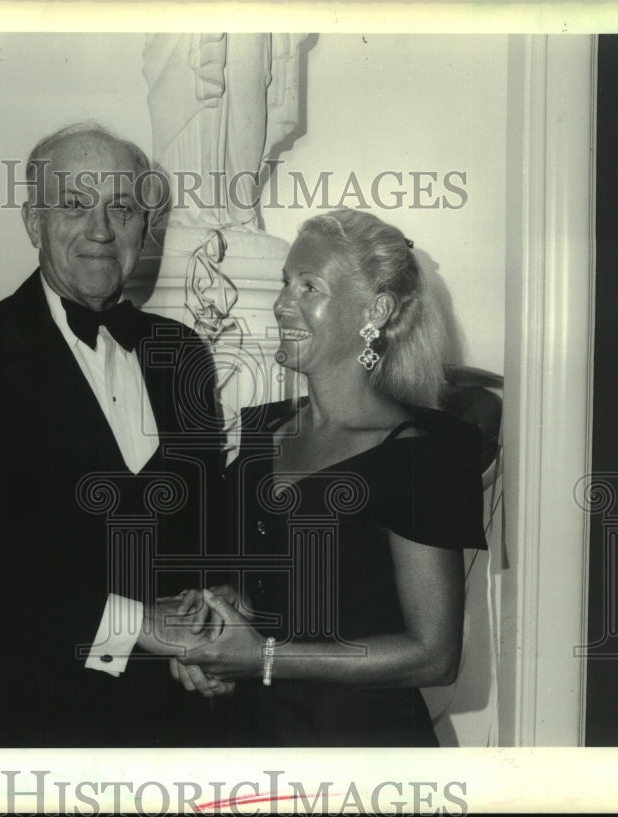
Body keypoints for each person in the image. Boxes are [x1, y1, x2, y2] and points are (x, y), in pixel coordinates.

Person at [0, 123, 225, 747]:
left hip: (170, 727)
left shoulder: (182, 353)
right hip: (21, 720)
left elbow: (207, 535)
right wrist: (138, 626)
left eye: (121, 207)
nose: (101, 230)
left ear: (145, 227)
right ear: (33, 221)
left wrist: (209, 628)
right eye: (74, 204)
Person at [172, 208, 487, 746]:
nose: (281, 303)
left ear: (376, 310)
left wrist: (263, 658)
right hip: (254, 737)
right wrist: (219, 625)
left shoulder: (417, 454)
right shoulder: (260, 430)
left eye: (309, 286)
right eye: (284, 283)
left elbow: (434, 656)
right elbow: (276, 592)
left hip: (363, 754)